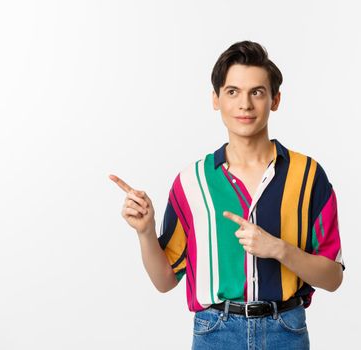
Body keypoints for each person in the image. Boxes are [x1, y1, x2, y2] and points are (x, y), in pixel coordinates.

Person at [109, 40, 345, 349]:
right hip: (215, 333)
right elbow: (165, 281)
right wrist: (145, 232)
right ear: (216, 99)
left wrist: (278, 249)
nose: (244, 104)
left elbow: (332, 278)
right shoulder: (192, 182)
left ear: (275, 100)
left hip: (286, 331)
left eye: (256, 92)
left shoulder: (308, 175)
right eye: (232, 92)